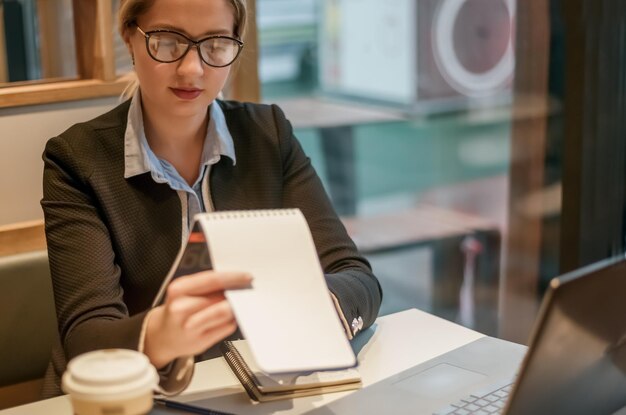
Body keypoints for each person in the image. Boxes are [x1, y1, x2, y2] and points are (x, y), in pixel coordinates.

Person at [41, 0, 382, 397]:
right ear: (130, 38)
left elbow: (357, 277)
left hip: (246, 389)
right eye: (168, 42)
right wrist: (159, 333)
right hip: (125, 398)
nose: (192, 69)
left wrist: (315, 309)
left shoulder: (268, 134)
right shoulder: (77, 160)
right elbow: (86, 340)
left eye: (216, 43)